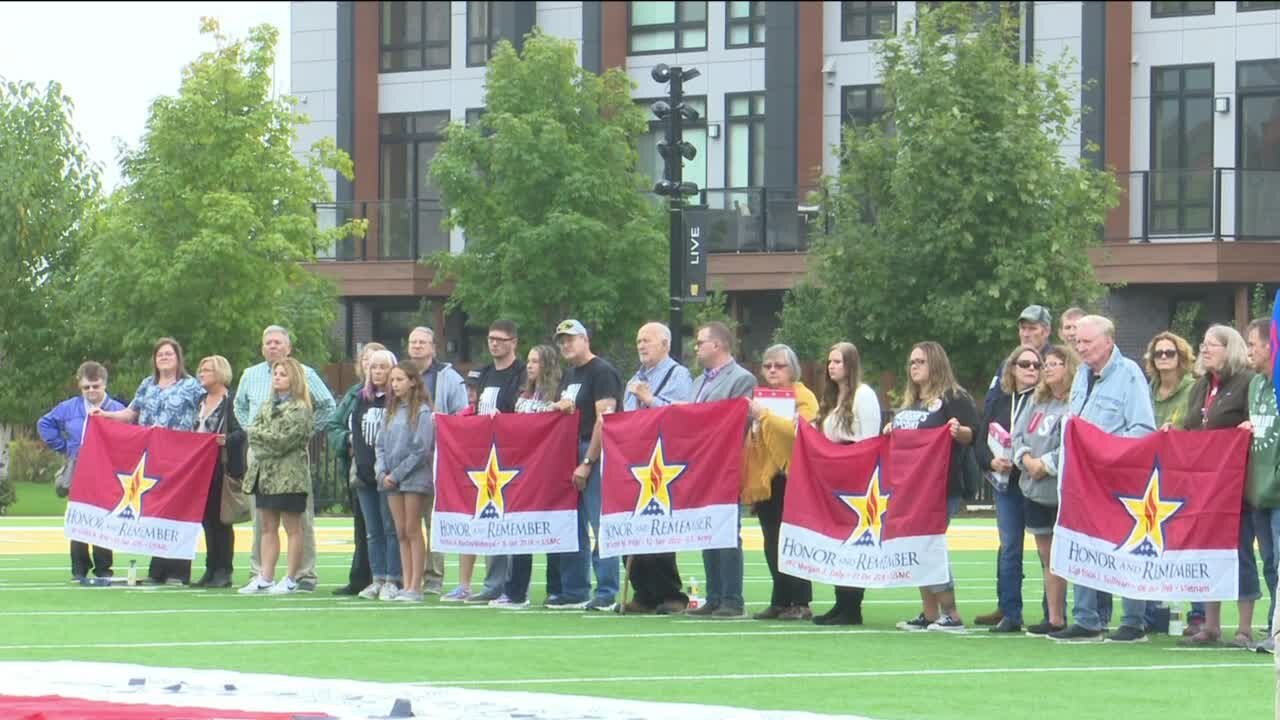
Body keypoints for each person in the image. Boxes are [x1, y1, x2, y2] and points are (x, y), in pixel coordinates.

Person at [1049, 315, 1156, 643]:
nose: (1080, 348)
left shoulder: (1130, 376)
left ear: (1108, 342)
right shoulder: (1081, 376)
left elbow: (1142, 429)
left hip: (1118, 479)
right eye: (1077, 342)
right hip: (1081, 480)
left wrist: (1106, 453)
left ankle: (1133, 621)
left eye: (1087, 342)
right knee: (1082, 544)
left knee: (1125, 547)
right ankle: (1086, 619)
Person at [233, 325, 335, 593]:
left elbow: (325, 408)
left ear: (288, 347)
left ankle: (300, 576)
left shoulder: (304, 380)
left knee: (297, 522)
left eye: (278, 342)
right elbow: (242, 408)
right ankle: (262, 575)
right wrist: (252, 431)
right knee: (264, 522)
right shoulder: (252, 376)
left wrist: (307, 432)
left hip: (289, 465)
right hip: (261, 461)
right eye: (268, 342)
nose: (272, 347)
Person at [94, 337, 204, 585]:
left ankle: (178, 570)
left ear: (178, 358)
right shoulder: (147, 385)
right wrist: (107, 415)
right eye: (160, 354)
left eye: (169, 354)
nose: (164, 357)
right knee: (157, 510)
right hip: (150, 458)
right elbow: (131, 413)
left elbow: (206, 413)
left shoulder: (191, 386)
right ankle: (158, 568)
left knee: (178, 510)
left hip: (179, 457)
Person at [890, 341, 979, 633]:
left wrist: (958, 431)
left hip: (942, 485)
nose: (913, 366)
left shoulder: (954, 397)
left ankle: (951, 614)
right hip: (911, 488)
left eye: (920, 361)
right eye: (911, 362)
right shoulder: (912, 401)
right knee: (916, 546)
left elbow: (973, 435)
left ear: (935, 364)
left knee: (929, 546)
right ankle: (929, 614)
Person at [1179, 324, 1258, 648]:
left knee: (1240, 553)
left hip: (1236, 487)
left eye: (1213, 344)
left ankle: (1244, 628)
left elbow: (1257, 424)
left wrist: (1246, 429)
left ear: (1232, 349)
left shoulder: (1247, 384)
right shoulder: (1200, 386)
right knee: (1208, 552)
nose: (1205, 349)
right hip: (1203, 488)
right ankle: (1210, 626)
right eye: (1204, 343)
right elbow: (1190, 426)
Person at [976, 305, 1053, 627]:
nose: (1027, 333)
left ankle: (1054, 613)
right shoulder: (1006, 371)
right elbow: (989, 417)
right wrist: (990, 459)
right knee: (1009, 545)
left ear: (1047, 331)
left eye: (1033, 328)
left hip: (1037, 475)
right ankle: (1008, 609)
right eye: (1023, 327)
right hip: (1006, 477)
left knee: (1046, 546)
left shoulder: (1055, 368)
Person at [547, 319, 624, 611]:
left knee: (599, 523)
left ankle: (606, 591)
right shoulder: (569, 375)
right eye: (562, 340)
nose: (566, 344)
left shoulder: (602, 371)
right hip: (569, 451)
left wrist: (588, 461)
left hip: (593, 451)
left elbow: (606, 421)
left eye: (571, 338)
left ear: (585, 339)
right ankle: (576, 589)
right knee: (571, 524)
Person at [619, 322, 694, 615]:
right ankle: (643, 591)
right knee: (631, 524)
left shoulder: (678, 375)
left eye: (647, 340)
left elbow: (681, 414)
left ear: (665, 344)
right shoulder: (635, 378)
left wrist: (650, 399)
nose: (641, 345)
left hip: (662, 461)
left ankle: (669, 592)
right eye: (638, 340)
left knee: (658, 525)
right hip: (634, 460)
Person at [448, 320, 525, 604]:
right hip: (486, 456)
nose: (494, 343)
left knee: (508, 521)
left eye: (501, 339)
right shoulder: (486, 373)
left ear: (513, 342)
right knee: (489, 519)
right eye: (491, 338)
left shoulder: (520, 373)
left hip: (511, 455)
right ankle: (493, 583)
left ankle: (512, 584)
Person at [686, 321, 758, 619]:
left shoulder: (742, 379)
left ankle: (732, 598)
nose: (696, 347)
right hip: (702, 465)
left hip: (726, 462)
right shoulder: (698, 381)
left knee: (728, 531)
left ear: (717, 345)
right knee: (708, 529)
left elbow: (736, 421)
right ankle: (714, 596)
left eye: (700, 342)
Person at [746, 344, 819, 621]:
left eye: (779, 365)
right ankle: (780, 600)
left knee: (794, 540)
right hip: (768, 480)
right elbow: (755, 444)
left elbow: (799, 432)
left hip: (793, 477)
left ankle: (801, 601)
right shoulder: (762, 397)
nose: (773, 370)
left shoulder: (803, 396)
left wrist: (764, 415)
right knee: (771, 542)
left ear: (793, 369)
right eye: (767, 366)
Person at [812, 342, 882, 625]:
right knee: (836, 540)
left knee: (853, 540)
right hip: (834, 474)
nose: (832, 366)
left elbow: (869, 438)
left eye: (838, 362)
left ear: (850, 365)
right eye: (829, 361)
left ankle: (852, 606)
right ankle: (840, 602)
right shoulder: (832, 397)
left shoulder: (863, 395)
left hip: (856, 474)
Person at [1012, 345, 1080, 635]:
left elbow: (1076, 439)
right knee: (1046, 555)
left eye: (1055, 363)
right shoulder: (1036, 400)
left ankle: (1089, 615)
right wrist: (1027, 459)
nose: (1048, 368)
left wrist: (1047, 464)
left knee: (1071, 555)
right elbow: (1018, 434)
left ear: (1070, 368)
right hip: (1034, 489)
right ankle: (1054, 618)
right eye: (1046, 364)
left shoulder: (1076, 402)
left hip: (1065, 491)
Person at [38, 361, 126, 582]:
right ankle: (79, 567)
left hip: (107, 469)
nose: (91, 391)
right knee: (79, 517)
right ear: (80, 386)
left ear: (104, 384)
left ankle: (104, 567)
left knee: (104, 518)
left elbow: (129, 436)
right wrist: (65, 447)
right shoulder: (69, 408)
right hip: (79, 467)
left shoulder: (117, 409)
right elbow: (44, 423)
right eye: (86, 387)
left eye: (96, 386)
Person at [238, 358, 314, 595]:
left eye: (283, 374)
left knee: (293, 527)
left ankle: (291, 577)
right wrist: (261, 434)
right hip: (265, 475)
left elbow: (283, 441)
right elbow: (253, 433)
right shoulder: (265, 405)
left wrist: (261, 434)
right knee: (267, 527)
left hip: (289, 476)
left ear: (294, 378)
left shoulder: (300, 408)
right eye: (275, 374)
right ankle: (265, 576)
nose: (277, 377)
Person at [495, 344, 562, 609]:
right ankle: (516, 591)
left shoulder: (558, 393)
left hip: (547, 468)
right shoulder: (522, 393)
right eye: (529, 361)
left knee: (552, 528)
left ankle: (556, 589)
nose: (531, 365)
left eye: (536, 361)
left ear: (547, 364)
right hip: (521, 468)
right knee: (520, 528)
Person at [405, 325, 466, 594]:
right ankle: (408, 577)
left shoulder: (448, 378)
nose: (417, 346)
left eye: (422, 342)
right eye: (413, 342)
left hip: (437, 458)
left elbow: (462, 415)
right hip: (404, 458)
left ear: (433, 347)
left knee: (434, 520)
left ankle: (434, 578)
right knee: (407, 522)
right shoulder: (400, 375)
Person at [324, 342, 387, 596]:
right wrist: (349, 440)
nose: (372, 368)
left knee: (390, 528)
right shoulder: (354, 395)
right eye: (367, 362)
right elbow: (334, 425)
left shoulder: (394, 395)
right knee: (364, 528)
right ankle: (361, 577)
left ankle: (392, 577)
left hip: (386, 470)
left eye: (378, 363)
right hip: (358, 468)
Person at [378, 360, 436, 603]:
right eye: (393, 380)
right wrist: (382, 471)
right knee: (400, 531)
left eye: (400, 379)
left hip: (413, 478)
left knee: (413, 529)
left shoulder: (422, 411)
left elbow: (421, 450)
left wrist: (397, 474)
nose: (395, 384)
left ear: (413, 382)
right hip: (390, 479)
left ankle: (416, 586)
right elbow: (379, 445)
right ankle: (406, 581)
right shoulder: (389, 410)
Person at [349, 349, 401, 601]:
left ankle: (393, 579)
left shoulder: (397, 400)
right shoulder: (361, 398)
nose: (378, 371)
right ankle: (377, 577)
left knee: (391, 529)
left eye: (383, 367)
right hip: (365, 475)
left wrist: (386, 470)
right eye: (374, 367)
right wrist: (362, 467)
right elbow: (357, 436)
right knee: (372, 531)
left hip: (389, 475)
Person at [192, 355, 246, 589]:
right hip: (200, 467)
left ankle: (224, 569)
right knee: (206, 520)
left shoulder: (231, 401)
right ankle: (210, 567)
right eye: (201, 370)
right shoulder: (200, 400)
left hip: (221, 466)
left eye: (207, 370)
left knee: (222, 519)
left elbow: (243, 432)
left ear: (220, 373)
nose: (201, 374)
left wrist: (226, 440)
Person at [1244, 317, 1280, 654]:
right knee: (1269, 563)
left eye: (1253, 344)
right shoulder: (1255, 385)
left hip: (1278, 490)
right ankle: (1274, 625)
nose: (1249, 351)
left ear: (1272, 345)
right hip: (1259, 491)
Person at [1147, 331, 1197, 430]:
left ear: (1181, 357)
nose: (1163, 356)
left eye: (1170, 353)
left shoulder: (1195, 389)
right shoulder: (1146, 391)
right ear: (1153, 359)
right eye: (1158, 353)